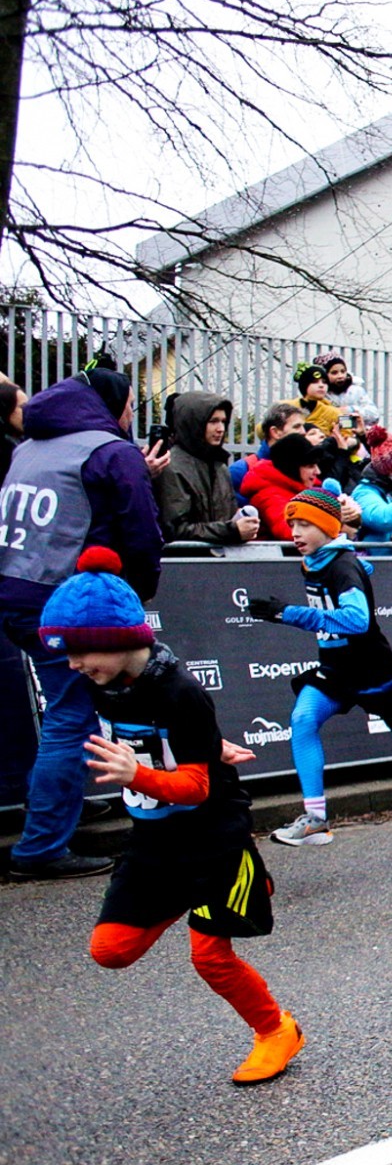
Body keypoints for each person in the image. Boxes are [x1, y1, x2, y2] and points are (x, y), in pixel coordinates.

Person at [44, 547, 303, 1083]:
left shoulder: (180, 690)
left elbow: (195, 788)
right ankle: (196, 894)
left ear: (115, 640)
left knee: (209, 957)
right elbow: (172, 745)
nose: (71, 664)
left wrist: (137, 773)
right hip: (155, 840)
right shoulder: (105, 683)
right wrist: (209, 744)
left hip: (213, 838)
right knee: (110, 950)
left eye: (78, 651)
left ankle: (276, 1030)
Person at [244, 487, 392, 846]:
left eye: (305, 525)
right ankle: (316, 819)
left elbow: (357, 621)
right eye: (292, 523)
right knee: (303, 719)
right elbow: (358, 572)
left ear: (328, 527)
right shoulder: (316, 559)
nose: (295, 533)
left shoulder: (342, 566)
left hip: (375, 672)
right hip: (336, 671)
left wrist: (289, 613)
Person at [0, 365, 163, 881]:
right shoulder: (110, 451)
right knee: (70, 716)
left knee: (63, 713)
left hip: (15, 590)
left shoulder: (30, 446)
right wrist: (133, 597)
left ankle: (56, 807)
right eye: (132, 405)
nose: (133, 414)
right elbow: (142, 533)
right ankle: (41, 846)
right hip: (62, 599)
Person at [153, 391, 257, 546]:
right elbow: (175, 529)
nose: (220, 428)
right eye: (213, 421)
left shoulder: (219, 467)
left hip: (222, 561)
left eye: (223, 421)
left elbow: (225, 516)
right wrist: (231, 530)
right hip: (186, 563)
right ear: (194, 423)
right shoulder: (171, 466)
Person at [241, 432, 320, 536]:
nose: (318, 471)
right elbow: (291, 531)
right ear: (292, 467)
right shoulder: (269, 496)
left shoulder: (303, 489)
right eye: (310, 466)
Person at [319, 353, 378, 427]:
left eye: (343, 371)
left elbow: (374, 415)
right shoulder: (322, 393)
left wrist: (351, 409)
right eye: (334, 373)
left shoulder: (356, 390)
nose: (340, 376)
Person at [293, 361, 341, 435]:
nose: (321, 385)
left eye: (324, 382)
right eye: (315, 382)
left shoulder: (335, 413)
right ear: (304, 385)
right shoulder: (286, 408)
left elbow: (346, 436)